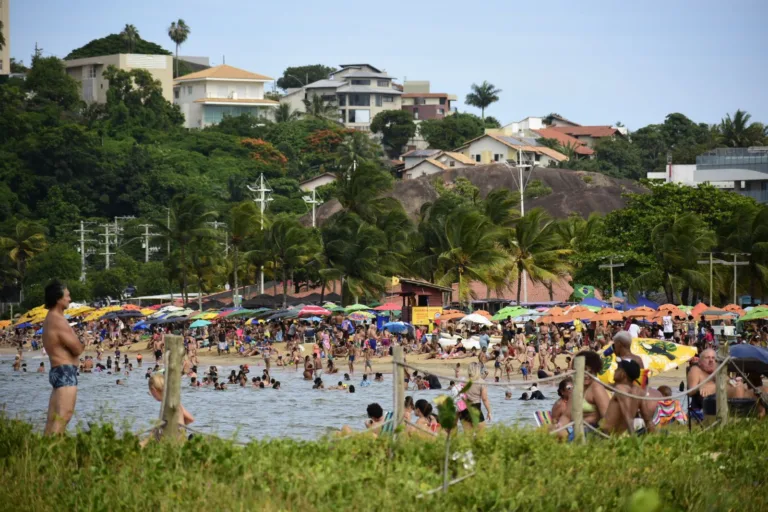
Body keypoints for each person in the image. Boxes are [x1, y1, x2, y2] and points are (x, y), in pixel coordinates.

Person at [42, 281, 84, 435]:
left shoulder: (50, 318)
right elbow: (77, 348)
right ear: (58, 299)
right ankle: (53, 454)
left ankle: (44, 453)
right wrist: (83, 341)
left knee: (53, 419)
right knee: (63, 416)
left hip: (57, 370)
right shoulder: (58, 320)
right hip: (66, 371)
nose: (70, 299)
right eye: (67, 296)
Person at [601, 360, 655, 435]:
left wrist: (634, 441)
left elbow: (628, 416)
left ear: (623, 374)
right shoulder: (639, 392)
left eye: (617, 369)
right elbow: (648, 420)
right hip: (619, 435)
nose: (615, 370)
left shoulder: (620, 388)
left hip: (606, 435)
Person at [459, 362, 492, 432]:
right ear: (478, 370)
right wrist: (489, 412)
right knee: (481, 436)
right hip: (475, 408)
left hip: (463, 409)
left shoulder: (463, 381)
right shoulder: (481, 382)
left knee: (467, 437)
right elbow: (484, 399)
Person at [687, 348, 717, 421]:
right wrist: (700, 387)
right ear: (700, 362)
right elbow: (690, 391)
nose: (711, 360)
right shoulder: (696, 370)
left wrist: (713, 387)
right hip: (703, 408)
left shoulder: (719, 371)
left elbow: (730, 384)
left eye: (713, 358)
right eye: (707, 358)